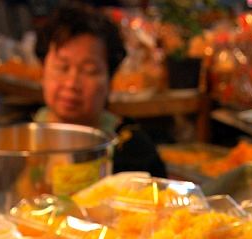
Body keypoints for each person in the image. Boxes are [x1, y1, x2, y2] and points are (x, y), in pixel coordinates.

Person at [34, 2, 166, 176]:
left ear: (109, 78)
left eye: (89, 71)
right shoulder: (21, 139)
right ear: (43, 70)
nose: (71, 83)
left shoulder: (133, 149)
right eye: (62, 67)